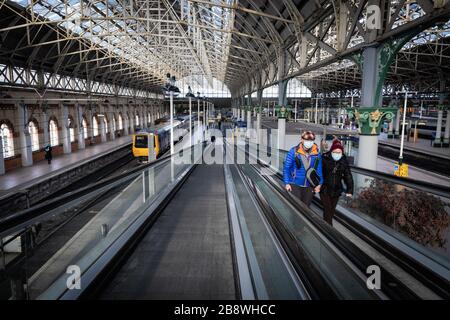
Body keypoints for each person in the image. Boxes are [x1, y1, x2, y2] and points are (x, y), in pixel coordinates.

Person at [283, 131, 323, 207]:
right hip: (294, 184)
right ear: (302, 139)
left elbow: (319, 170)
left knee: (306, 207)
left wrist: (320, 184)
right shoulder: (294, 151)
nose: (309, 142)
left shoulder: (317, 153)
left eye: (311, 140)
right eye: (307, 140)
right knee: (296, 206)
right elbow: (286, 168)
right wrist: (287, 183)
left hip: (309, 184)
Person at [320, 139, 353, 225]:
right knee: (327, 209)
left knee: (332, 210)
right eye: (335, 152)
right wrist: (317, 185)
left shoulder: (343, 161)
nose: (337, 154)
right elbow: (318, 172)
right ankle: (329, 229)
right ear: (331, 151)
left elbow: (348, 175)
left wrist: (349, 190)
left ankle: (326, 225)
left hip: (337, 190)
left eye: (339, 152)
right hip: (325, 189)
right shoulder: (324, 158)